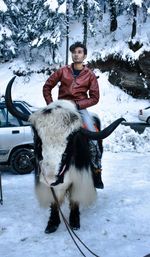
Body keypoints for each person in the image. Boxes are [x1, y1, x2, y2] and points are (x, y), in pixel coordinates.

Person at [43, 41, 104, 189]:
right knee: (45, 134)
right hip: (62, 109)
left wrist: (79, 105)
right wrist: (52, 106)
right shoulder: (62, 71)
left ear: (84, 55)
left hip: (80, 109)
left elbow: (95, 97)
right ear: (71, 54)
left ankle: (96, 171)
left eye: (79, 52)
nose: (76, 54)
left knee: (93, 136)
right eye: (74, 52)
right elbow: (47, 87)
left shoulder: (90, 75)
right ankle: (49, 169)